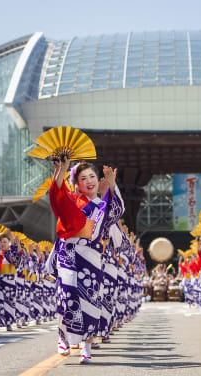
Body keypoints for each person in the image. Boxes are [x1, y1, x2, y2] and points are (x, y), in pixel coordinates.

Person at [49, 149, 124, 364]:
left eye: (92, 176)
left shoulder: (101, 205)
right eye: (83, 178)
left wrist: (111, 185)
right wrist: (61, 171)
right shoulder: (71, 199)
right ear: (77, 184)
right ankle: (63, 336)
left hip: (92, 256)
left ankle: (86, 348)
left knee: (90, 300)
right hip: (69, 252)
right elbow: (57, 197)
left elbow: (116, 212)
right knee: (68, 292)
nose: (88, 181)